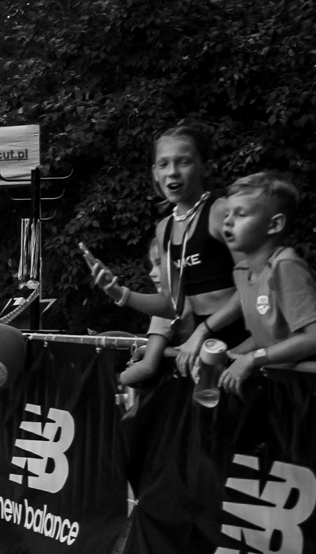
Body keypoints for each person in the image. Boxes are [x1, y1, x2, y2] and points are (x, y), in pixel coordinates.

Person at [86, 124, 239, 385]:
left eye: (183, 162)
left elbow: (255, 285)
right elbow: (171, 306)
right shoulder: (165, 228)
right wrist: (119, 292)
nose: (173, 172)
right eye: (163, 164)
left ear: (206, 167)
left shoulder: (220, 211)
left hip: (241, 338)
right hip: (205, 347)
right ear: (154, 173)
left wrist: (203, 331)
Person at [176, 173, 316, 391]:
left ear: (274, 224)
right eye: (227, 214)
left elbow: (312, 338)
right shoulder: (242, 272)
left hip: (306, 389)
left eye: (241, 214)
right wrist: (229, 357)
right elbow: (267, 336)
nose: (228, 221)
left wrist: (252, 359)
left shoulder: (285, 266)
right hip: (280, 386)